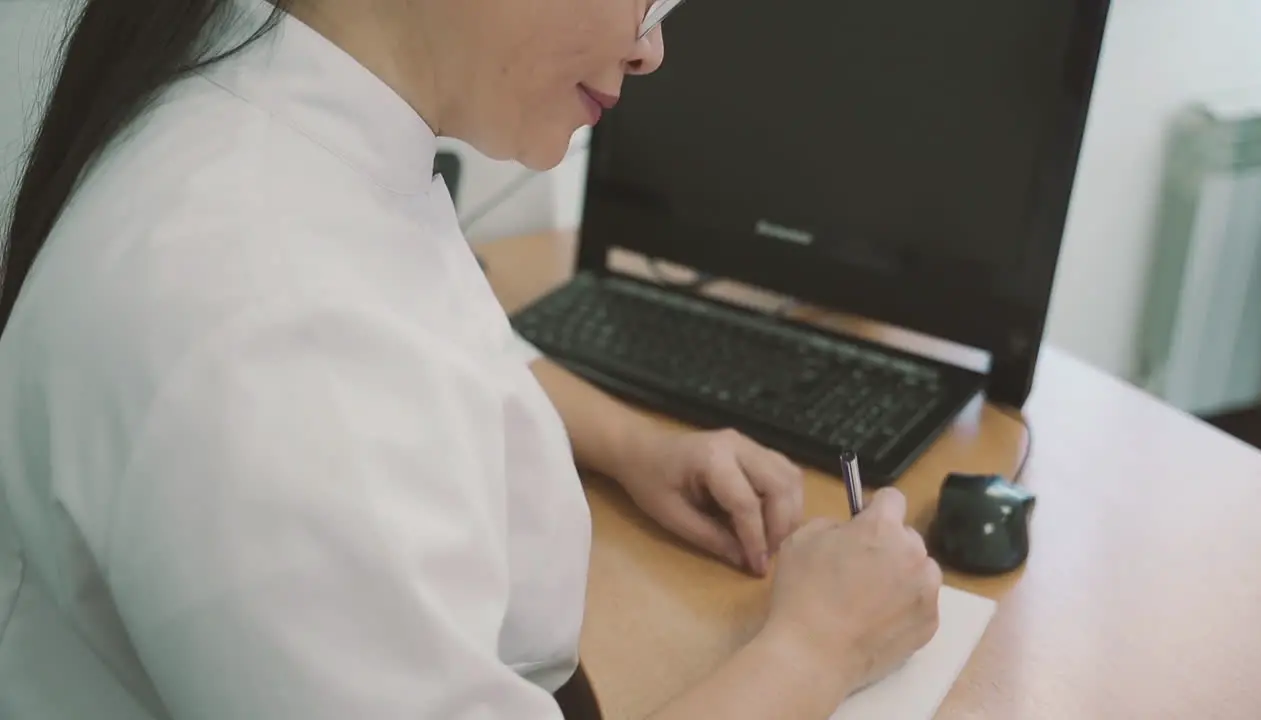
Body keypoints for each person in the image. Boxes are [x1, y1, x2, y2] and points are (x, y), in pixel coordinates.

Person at [0, 1, 943, 718]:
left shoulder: (282, 110)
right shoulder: (266, 331)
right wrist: (819, 649)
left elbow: (447, 335)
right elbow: (344, 360)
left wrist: (634, 444)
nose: (652, 46)